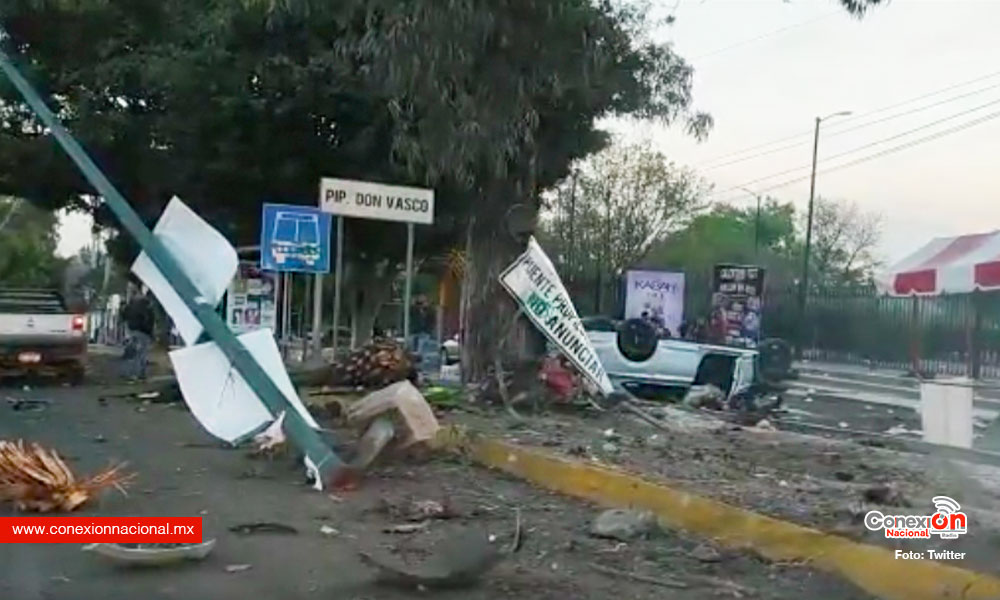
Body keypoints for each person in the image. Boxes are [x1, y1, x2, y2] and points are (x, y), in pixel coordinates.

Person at [121, 287, 155, 380]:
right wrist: (150, 332)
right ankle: (140, 373)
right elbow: (149, 319)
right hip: (143, 331)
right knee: (142, 353)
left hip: (132, 329)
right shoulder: (147, 305)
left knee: (132, 352)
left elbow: (124, 314)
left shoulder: (131, 303)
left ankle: (129, 373)